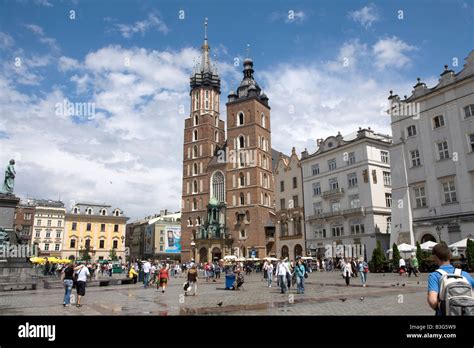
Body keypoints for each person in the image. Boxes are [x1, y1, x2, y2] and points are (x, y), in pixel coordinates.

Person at [427, 243, 474, 315]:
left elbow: (432, 301)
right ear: (450, 256)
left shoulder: (434, 276)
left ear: (434, 257)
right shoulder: (464, 274)